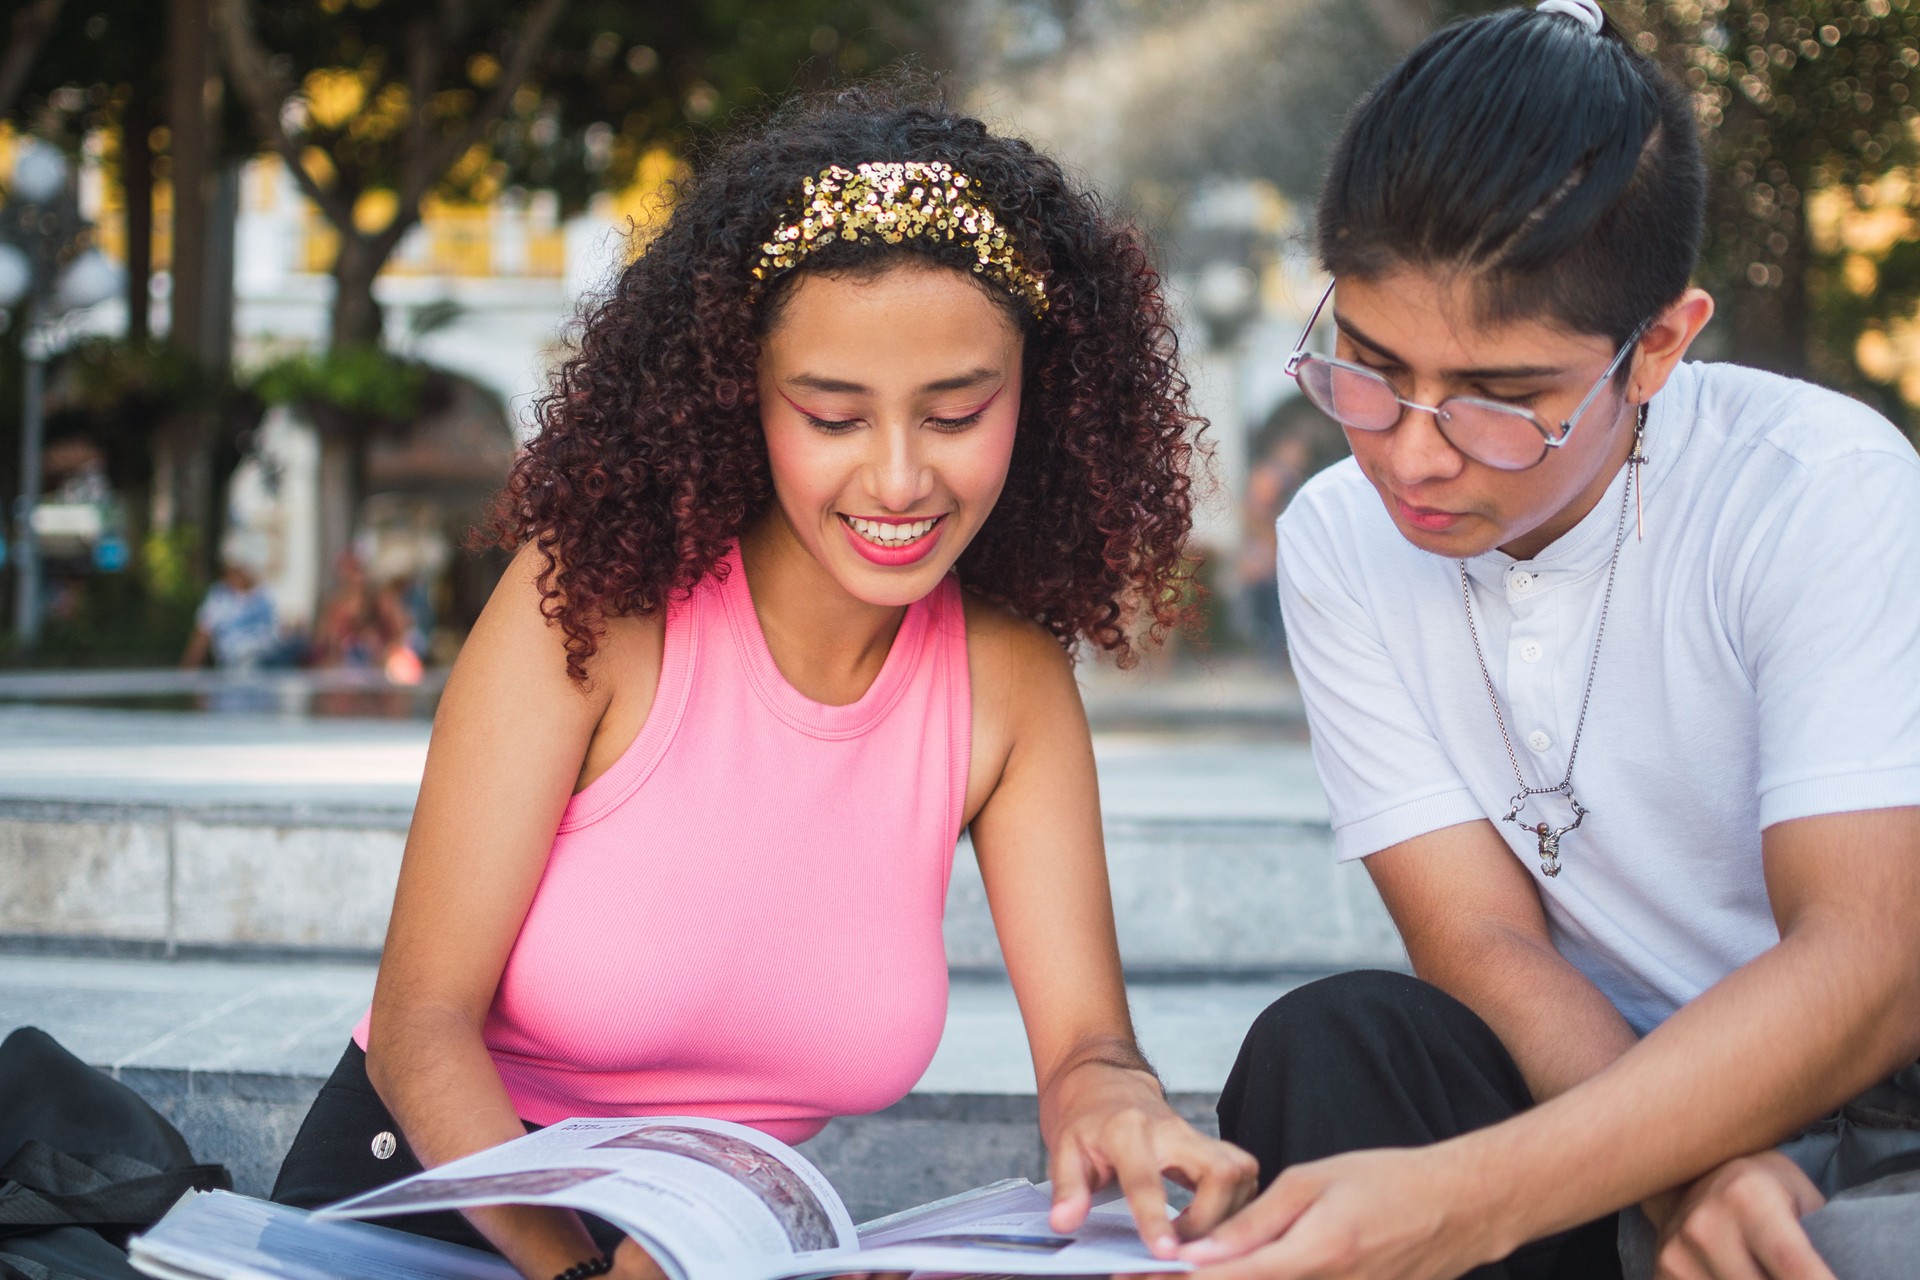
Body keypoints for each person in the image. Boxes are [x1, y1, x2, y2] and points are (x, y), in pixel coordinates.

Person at [270, 81, 1256, 1280]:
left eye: (957, 410)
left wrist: (1114, 1097)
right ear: (742, 395)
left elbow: (1088, 1042)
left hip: (709, 1242)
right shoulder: (591, 605)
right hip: (442, 1199)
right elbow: (421, 1028)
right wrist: (584, 1269)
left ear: (1038, 400)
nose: (899, 479)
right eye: (833, 414)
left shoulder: (1011, 688)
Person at [1183, 4, 1920, 1280]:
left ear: (1661, 348)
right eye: (1368, 365)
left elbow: (1867, 963)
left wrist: (1477, 1200)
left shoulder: (1818, 489)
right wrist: (1683, 1164)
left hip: (1869, 1102)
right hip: (1581, 1085)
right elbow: (1481, 940)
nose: (1412, 453)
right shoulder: (1339, 539)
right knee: (1334, 1046)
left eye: (1501, 399)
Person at [180, 530, 283, 671]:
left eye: (236, 569)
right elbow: (202, 637)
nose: (230, 575)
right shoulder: (218, 596)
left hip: (265, 680)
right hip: (229, 679)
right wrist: (187, 673)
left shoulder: (268, 595)